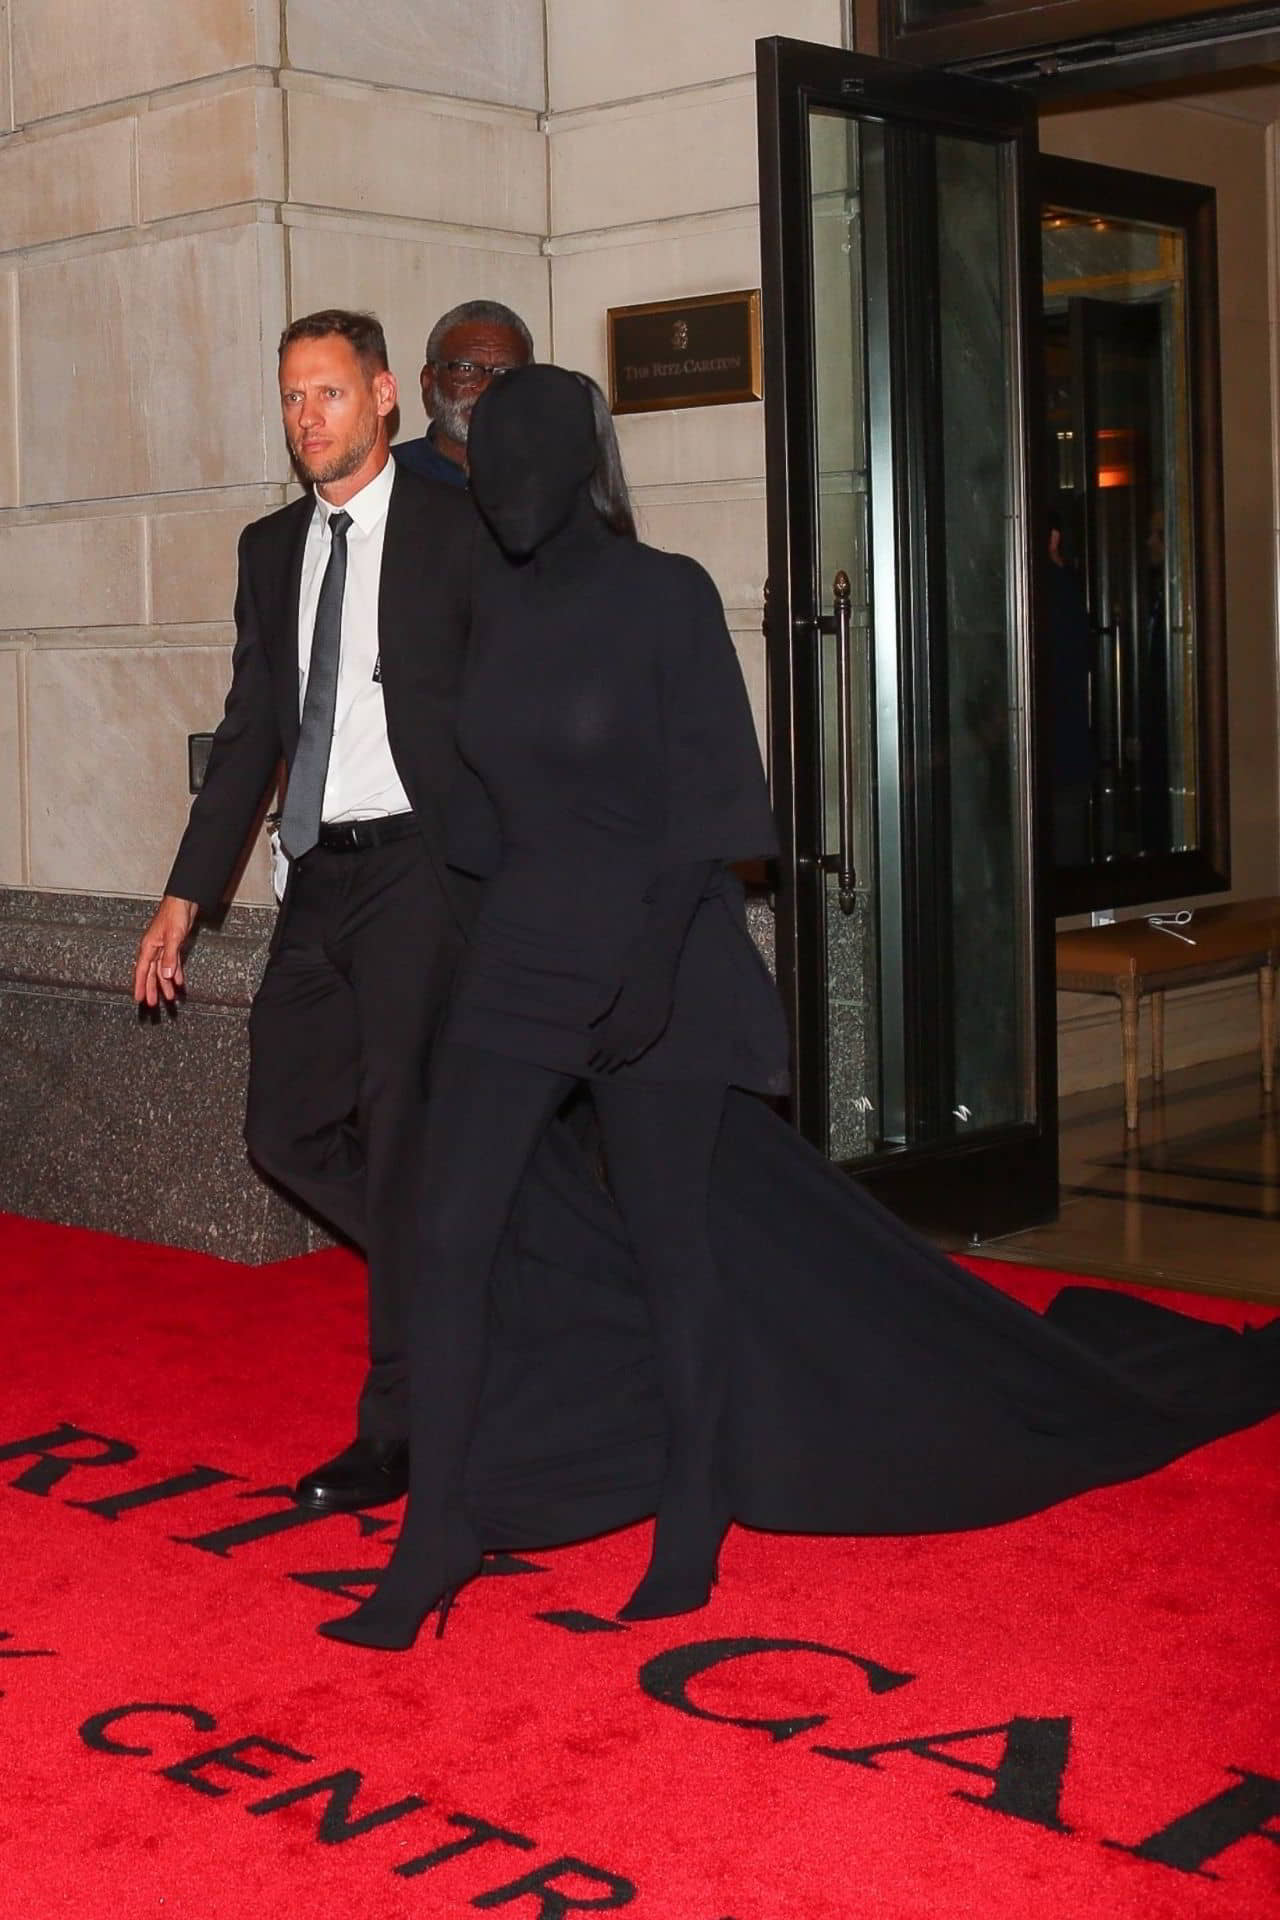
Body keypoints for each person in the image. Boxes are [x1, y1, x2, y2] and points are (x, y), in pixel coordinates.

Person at [319, 364, 1279, 1656]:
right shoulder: (487, 601)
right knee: (446, 1234)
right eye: (486, 468)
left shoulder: (663, 595)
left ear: (576, 468)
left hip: (654, 953)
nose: (503, 491)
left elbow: (721, 797)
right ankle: (440, 1525)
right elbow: (475, 808)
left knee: (675, 1249)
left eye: (524, 466)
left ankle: (692, 1511)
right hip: (525, 954)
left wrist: (652, 969)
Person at [132, 308, 484, 1518]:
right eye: (289, 398)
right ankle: (460, 1258)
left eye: (326, 395)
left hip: (421, 874)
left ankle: (399, 1426)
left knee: (396, 1127)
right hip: (315, 876)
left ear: (385, 397)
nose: (304, 420)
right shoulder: (270, 547)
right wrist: (186, 894)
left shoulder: (456, 526)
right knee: (283, 1126)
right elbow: (249, 736)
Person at [392, 299, 533, 490]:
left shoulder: (559, 480)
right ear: (429, 382)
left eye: (505, 372)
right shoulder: (389, 478)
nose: (486, 387)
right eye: (466, 369)